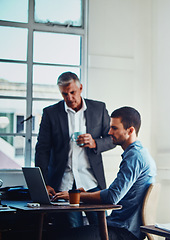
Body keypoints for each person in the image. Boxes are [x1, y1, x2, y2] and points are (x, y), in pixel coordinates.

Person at [52, 106, 157, 240]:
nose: (109, 132)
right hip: (123, 227)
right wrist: (86, 194)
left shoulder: (134, 157)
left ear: (130, 130)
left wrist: (78, 196)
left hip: (124, 231)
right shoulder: (140, 153)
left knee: (59, 236)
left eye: (114, 128)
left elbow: (112, 197)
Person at [35, 71, 115, 228]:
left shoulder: (99, 108)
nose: (69, 98)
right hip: (64, 184)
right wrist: (44, 182)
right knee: (73, 231)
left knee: (102, 228)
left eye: (72, 92)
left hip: (92, 182)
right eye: (64, 94)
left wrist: (94, 143)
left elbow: (112, 139)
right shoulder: (50, 113)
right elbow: (42, 149)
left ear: (81, 88)